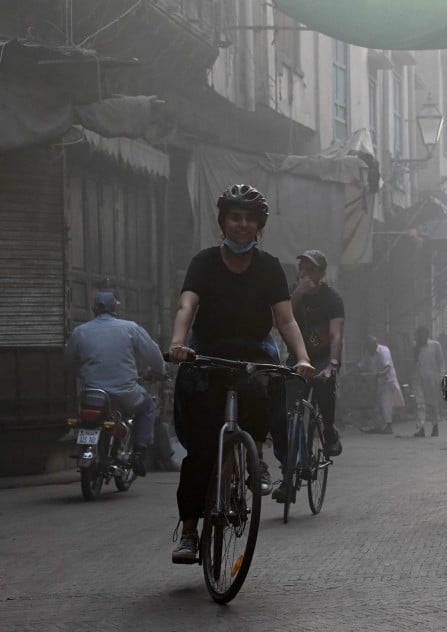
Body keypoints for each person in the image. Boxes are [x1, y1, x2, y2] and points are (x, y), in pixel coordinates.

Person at [166, 184, 314, 564]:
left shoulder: (269, 267)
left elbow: (285, 319)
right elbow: (187, 306)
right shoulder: (203, 262)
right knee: (200, 451)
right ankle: (188, 531)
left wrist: (301, 357)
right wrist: (179, 343)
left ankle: (256, 455)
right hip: (208, 350)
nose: (242, 225)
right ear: (223, 222)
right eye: (235, 217)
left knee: (267, 387)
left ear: (259, 226)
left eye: (250, 219)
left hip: (253, 348)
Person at [63, 291, 165, 477]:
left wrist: (82, 373)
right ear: (115, 309)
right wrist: (161, 371)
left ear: (94, 309)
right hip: (124, 396)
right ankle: (139, 454)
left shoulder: (80, 332)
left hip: (92, 397)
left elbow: (68, 363)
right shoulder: (130, 328)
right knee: (148, 406)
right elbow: (154, 355)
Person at [288, 249, 345, 458]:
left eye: (310, 270)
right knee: (289, 410)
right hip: (298, 355)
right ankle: (295, 463)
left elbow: (336, 334)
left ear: (321, 273)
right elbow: (284, 320)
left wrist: (333, 364)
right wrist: (299, 294)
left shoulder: (332, 298)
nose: (304, 274)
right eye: (301, 269)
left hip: (323, 356)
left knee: (324, 384)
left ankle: (329, 430)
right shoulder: (294, 292)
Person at [359, 336, 404, 435]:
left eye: (370, 348)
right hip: (377, 382)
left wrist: (379, 374)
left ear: (374, 345)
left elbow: (387, 367)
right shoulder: (369, 352)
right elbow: (362, 365)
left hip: (387, 381)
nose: (369, 351)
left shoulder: (384, 351)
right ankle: (378, 426)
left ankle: (389, 426)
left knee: (385, 403)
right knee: (376, 404)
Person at [411, 326, 444, 438]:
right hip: (418, 379)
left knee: (432, 404)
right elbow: (414, 364)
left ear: (426, 335)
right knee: (420, 403)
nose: (419, 338)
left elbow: (441, 363)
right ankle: (421, 428)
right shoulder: (415, 346)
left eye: (421, 335)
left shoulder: (435, 345)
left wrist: (441, 379)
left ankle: (435, 427)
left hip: (432, 379)